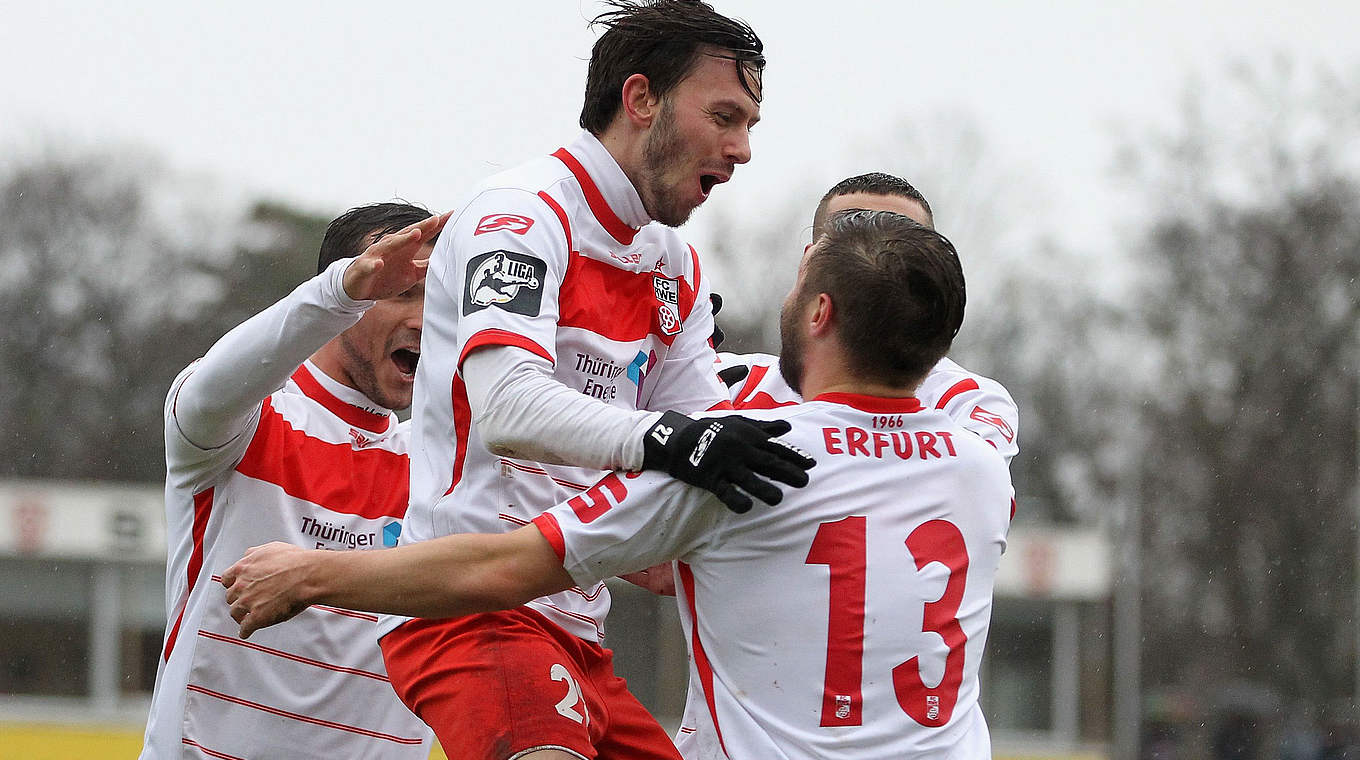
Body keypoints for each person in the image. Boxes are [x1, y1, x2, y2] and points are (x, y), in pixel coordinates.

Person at [223, 209, 1014, 759]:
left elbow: (504, 567)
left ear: (819, 314)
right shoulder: (979, 463)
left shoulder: (736, 460)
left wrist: (310, 573)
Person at [361, 2, 812, 759]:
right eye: (726, 117)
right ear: (641, 100)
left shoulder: (676, 265)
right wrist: (674, 440)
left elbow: (702, 456)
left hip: (577, 628)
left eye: (751, 127)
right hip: (472, 611)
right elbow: (505, 406)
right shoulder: (520, 213)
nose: (742, 150)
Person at [140, 203, 447, 759]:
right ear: (342, 293)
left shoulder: (441, 467)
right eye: (403, 292)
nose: (425, 319)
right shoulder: (249, 420)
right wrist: (338, 295)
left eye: (438, 298)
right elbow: (215, 384)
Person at [718, 171, 1020, 464]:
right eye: (848, 241)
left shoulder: (968, 401)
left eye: (899, 246)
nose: (873, 261)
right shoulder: (732, 382)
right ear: (807, 264)